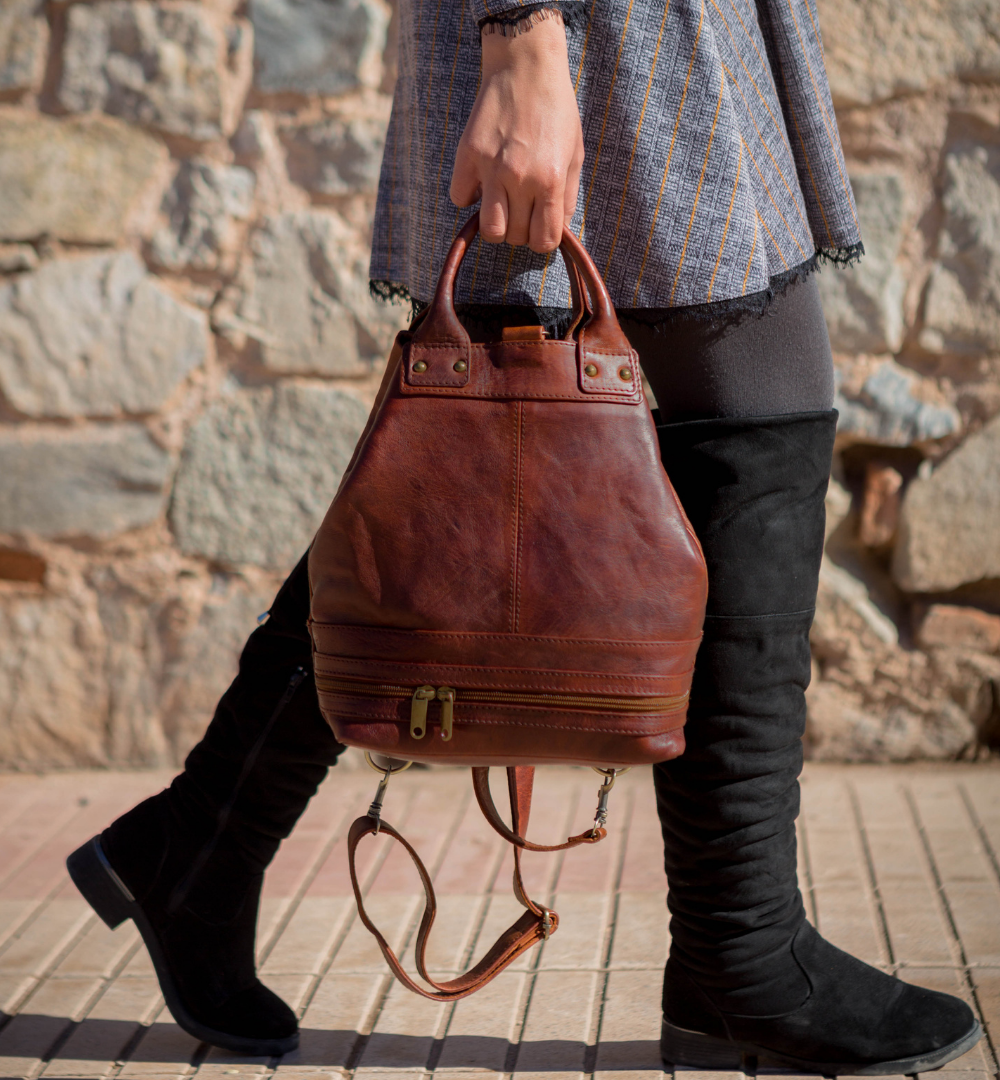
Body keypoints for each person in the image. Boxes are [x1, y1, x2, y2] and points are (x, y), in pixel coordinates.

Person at [68, 0, 983, 1072]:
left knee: (481, 481)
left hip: (665, 29)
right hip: (595, 32)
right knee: (587, 421)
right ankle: (742, 955)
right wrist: (517, 41)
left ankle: (197, 848)